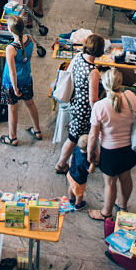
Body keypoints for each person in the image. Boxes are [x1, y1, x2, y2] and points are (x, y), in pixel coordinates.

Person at [86, 69, 136, 221]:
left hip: (110, 152)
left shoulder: (100, 106)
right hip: (129, 148)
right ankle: (123, 206)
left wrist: (90, 154)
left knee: (110, 183)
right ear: (120, 83)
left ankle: (106, 213)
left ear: (104, 85)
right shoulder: (131, 97)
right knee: (126, 177)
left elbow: (93, 135)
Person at [54, 34, 105, 174]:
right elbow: (93, 99)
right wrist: (99, 113)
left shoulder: (78, 57)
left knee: (80, 135)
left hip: (75, 102)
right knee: (74, 138)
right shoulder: (93, 72)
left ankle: (93, 158)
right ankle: (61, 164)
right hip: (84, 110)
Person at [0, 17, 42, 146]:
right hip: (26, 78)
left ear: (10, 29)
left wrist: (14, 87)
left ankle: (12, 137)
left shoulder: (11, 48)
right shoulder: (29, 40)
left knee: (12, 108)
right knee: (30, 103)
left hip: (12, 83)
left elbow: (12, 71)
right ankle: (37, 130)